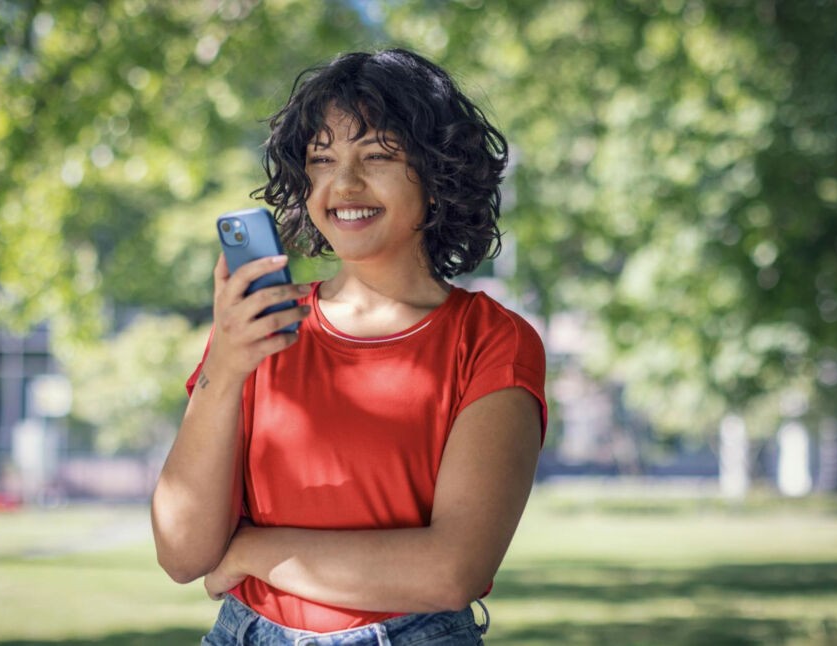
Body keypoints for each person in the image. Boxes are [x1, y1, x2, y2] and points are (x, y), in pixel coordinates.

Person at [151, 48, 547, 645]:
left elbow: (450, 571)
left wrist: (254, 551)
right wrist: (224, 372)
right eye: (322, 159)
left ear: (438, 174)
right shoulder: (255, 332)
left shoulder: (491, 342)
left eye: (378, 155)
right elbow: (183, 554)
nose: (344, 183)